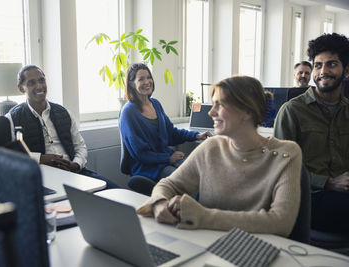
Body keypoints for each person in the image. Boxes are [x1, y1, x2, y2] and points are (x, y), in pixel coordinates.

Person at [137, 76, 302, 237]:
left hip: (258, 250)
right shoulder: (211, 147)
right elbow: (168, 185)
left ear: (246, 112)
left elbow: (281, 222)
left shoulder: (287, 154)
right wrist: (159, 203)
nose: (211, 112)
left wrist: (203, 216)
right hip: (208, 243)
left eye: (219, 105)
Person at [274, 33, 349, 233]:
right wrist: (328, 182)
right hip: (308, 196)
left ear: (346, 71)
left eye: (332, 64)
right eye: (318, 65)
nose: (323, 71)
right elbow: (279, 166)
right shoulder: (292, 110)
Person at [6, 65, 119, 188]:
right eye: (31, 83)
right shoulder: (12, 118)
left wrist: (75, 164)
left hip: (76, 173)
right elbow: (10, 155)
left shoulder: (64, 112)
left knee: (118, 194)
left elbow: (80, 146)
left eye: (41, 80)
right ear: (21, 88)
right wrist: (40, 158)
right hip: (43, 180)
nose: (39, 86)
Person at [119, 63, 211, 182]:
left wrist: (196, 135)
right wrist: (168, 158)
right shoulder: (128, 111)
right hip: (147, 167)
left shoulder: (155, 104)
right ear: (132, 84)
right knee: (185, 180)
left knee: (199, 172)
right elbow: (139, 153)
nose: (147, 82)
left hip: (165, 159)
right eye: (141, 79)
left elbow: (171, 133)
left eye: (148, 77)